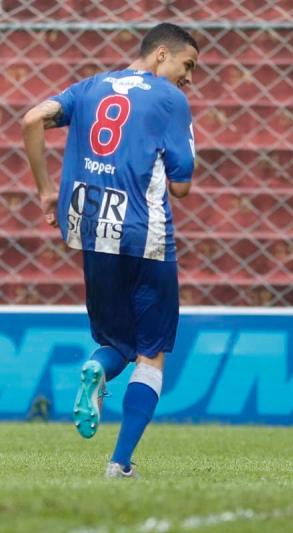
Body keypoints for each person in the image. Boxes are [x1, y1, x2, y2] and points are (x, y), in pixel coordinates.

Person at [21, 22, 199, 478]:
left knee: (115, 342)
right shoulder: (170, 100)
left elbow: (31, 120)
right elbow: (180, 187)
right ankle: (119, 463)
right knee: (151, 351)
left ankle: (97, 369)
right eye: (188, 65)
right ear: (162, 54)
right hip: (145, 235)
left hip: (89, 229)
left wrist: (45, 192)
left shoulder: (89, 86)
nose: (189, 78)